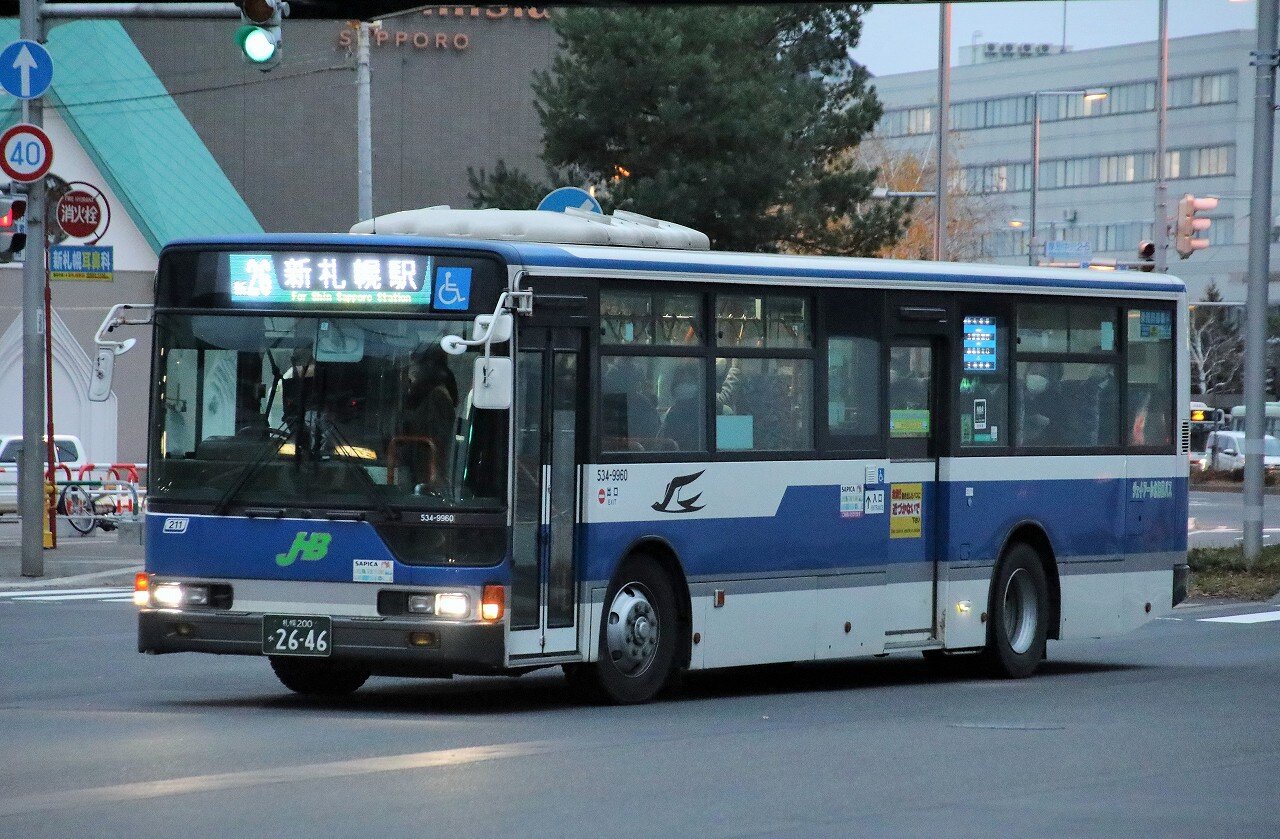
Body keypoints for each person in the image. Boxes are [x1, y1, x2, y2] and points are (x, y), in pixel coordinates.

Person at [401, 346, 458, 492]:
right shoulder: (433, 395)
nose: (411, 375)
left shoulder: (436, 397)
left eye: (415, 368)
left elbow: (437, 437)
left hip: (427, 463)